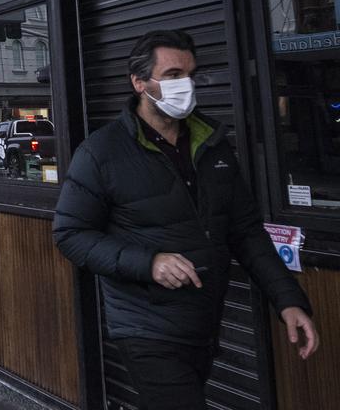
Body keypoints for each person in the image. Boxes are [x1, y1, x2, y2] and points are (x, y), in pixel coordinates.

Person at [53, 30, 318, 410]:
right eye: (173, 75)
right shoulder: (101, 152)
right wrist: (150, 262)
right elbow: (70, 234)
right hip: (144, 326)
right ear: (139, 82)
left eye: (191, 74)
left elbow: (244, 230)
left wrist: (288, 300)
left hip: (202, 322)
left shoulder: (212, 144)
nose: (185, 85)